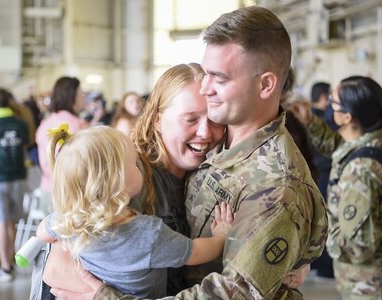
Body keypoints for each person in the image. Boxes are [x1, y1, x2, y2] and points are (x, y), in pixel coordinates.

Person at [51, 6, 328, 300]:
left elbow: (231, 294)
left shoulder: (278, 185)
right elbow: (59, 261)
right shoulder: (158, 165)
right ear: (157, 119)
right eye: (206, 74)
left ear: (266, 84)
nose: (206, 89)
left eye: (219, 78)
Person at [30, 63, 226, 300]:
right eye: (190, 119)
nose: (205, 132)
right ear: (157, 121)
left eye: (215, 119)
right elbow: (56, 271)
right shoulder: (124, 180)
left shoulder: (212, 174)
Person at [36, 125, 233, 298]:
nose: (139, 165)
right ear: (116, 181)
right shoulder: (149, 234)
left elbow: (42, 232)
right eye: (133, 163)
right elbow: (196, 252)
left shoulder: (69, 220)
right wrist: (221, 236)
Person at [290, 75, 382, 299]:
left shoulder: (361, 170)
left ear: (347, 116)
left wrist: (319, 236)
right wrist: (311, 121)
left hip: (366, 286)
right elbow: (339, 145)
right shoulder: (370, 142)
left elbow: (360, 247)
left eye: (333, 102)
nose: (328, 106)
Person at [35, 76, 84, 215]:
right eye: (81, 93)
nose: (83, 97)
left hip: (47, 189)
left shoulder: (46, 122)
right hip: (69, 192)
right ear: (72, 96)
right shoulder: (75, 124)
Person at [0, 88, 29, 282]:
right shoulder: (20, 123)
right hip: (18, 176)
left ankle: (5, 268)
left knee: (1, 223)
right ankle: (12, 262)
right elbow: (24, 146)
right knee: (12, 222)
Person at [309, 81, 335, 279]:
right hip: (324, 174)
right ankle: (326, 265)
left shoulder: (303, 117)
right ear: (324, 97)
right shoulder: (325, 121)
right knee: (326, 220)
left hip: (310, 176)